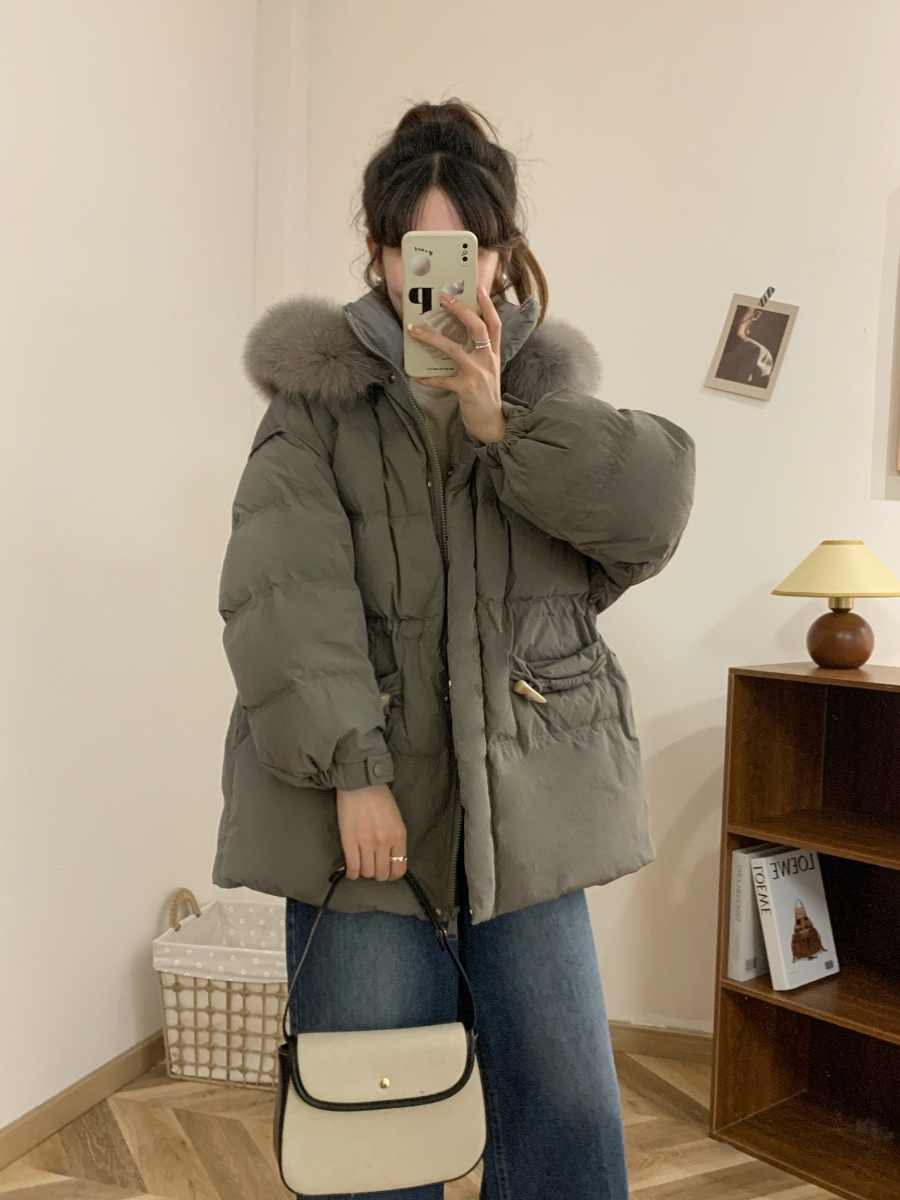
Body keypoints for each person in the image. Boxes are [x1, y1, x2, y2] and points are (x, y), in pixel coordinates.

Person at [212, 97, 696, 1199]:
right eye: (412, 250)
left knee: (568, 1115)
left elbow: (650, 516)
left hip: (524, 807)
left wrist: (500, 426)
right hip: (369, 821)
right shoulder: (316, 407)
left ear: (501, 255)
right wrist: (354, 772)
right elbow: (282, 598)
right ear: (379, 254)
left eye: (464, 249)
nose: (437, 278)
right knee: (377, 1124)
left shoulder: (542, 397)